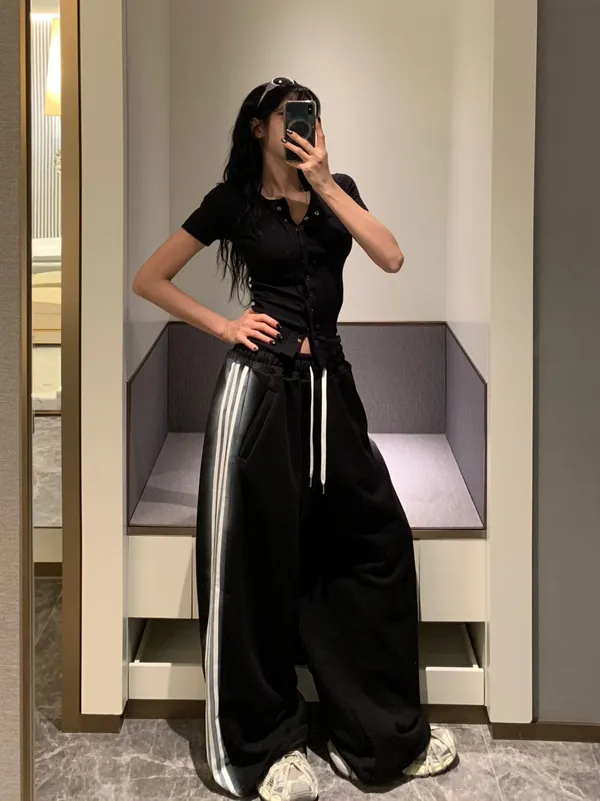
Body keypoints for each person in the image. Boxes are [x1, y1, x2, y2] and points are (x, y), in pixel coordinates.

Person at [133, 76, 457, 801]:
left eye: (309, 115)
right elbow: (149, 278)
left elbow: (392, 256)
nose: (300, 126)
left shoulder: (339, 188)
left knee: (374, 542)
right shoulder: (234, 202)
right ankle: (264, 741)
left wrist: (326, 183)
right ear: (259, 127)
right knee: (254, 560)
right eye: (287, 115)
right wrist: (225, 325)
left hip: (331, 388)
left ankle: (368, 731)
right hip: (260, 392)